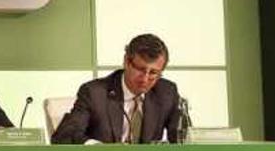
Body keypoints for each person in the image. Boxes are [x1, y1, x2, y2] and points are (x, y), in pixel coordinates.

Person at [52, 33, 180, 144]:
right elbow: (65, 135)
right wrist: (99, 148)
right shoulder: (94, 93)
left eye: (153, 73)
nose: (145, 79)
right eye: (140, 69)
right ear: (126, 61)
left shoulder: (167, 93)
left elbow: (183, 138)